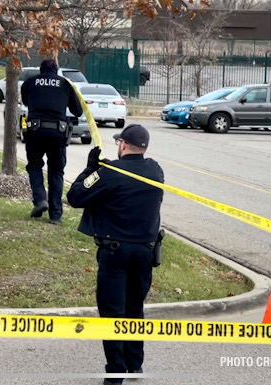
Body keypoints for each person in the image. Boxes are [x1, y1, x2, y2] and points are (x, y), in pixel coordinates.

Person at [66, 124, 164, 385]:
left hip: (115, 253)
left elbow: (75, 197)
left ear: (122, 145)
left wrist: (91, 169)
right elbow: (131, 176)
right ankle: (135, 366)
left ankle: (115, 372)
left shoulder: (108, 174)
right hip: (145, 253)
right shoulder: (155, 170)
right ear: (144, 148)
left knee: (112, 313)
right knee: (135, 309)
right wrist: (105, 168)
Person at [21, 59, 83, 224]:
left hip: (35, 130)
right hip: (58, 132)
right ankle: (55, 215)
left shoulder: (30, 82)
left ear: (40, 70)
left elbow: (26, 102)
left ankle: (40, 199)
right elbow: (78, 111)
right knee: (56, 170)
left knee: (34, 165)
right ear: (57, 70)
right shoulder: (65, 84)